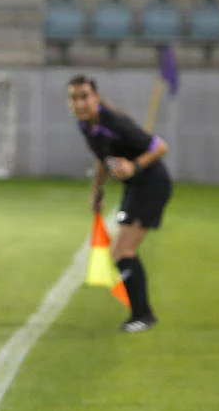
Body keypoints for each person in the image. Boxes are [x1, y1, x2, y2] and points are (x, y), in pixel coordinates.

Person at [67, 75, 171, 332]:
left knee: (123, 252)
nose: (79, 103)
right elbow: (103, 160)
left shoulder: (113, 121)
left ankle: (143, 316)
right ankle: (141, 314)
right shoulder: (86, 126)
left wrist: (133, 166)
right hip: (135, 186)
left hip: (151, 184)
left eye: (84, 96)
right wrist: (96, 191)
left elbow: (160, 147)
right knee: (120, 252)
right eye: (73, 98)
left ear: (96, 97)